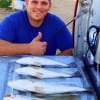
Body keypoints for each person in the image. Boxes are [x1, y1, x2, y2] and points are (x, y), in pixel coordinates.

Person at [0, 0, 72, 56]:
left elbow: (70, 50)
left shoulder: (56, 23)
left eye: (44, 3)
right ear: (27, 3)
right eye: (34, 2)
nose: (38, 7)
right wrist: (28, 48)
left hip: (44, 72)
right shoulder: (12, 21)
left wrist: (53, 65)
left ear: (49, 6)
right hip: (14, 70)